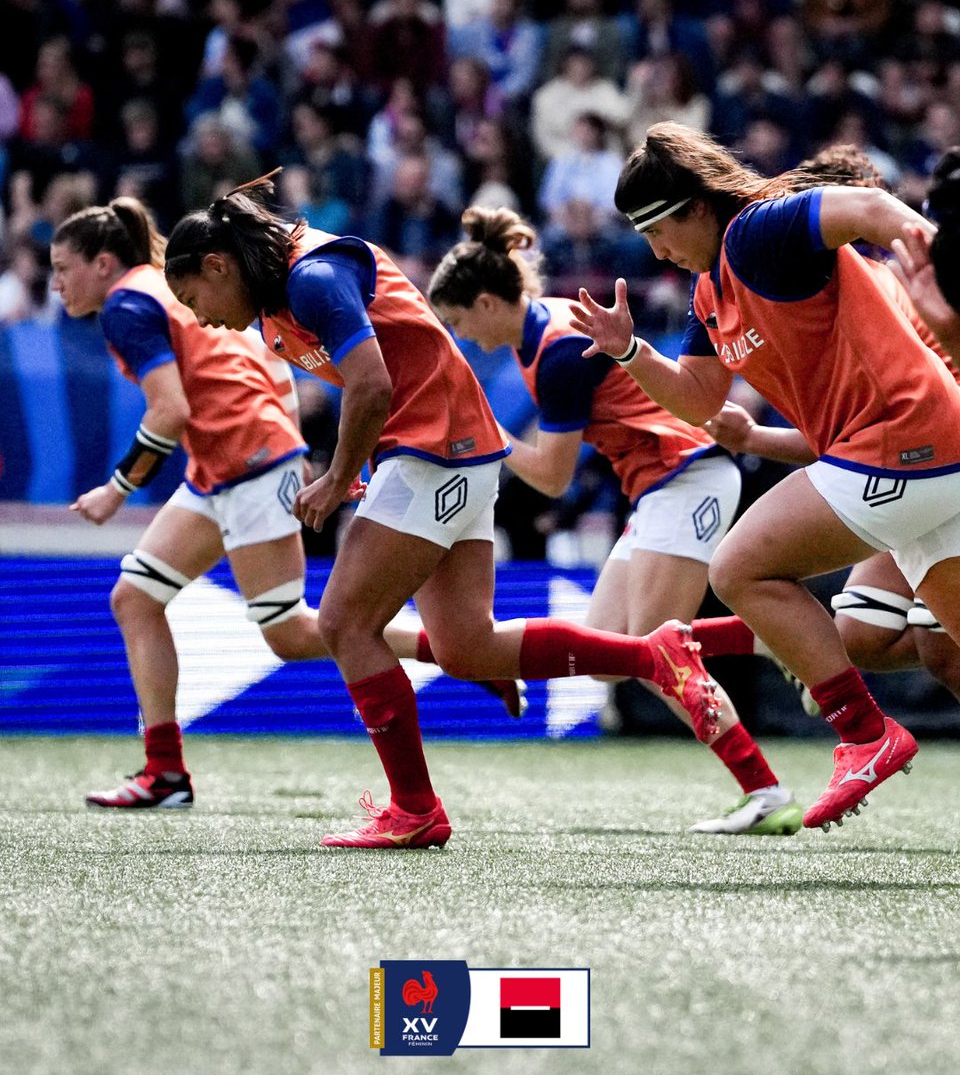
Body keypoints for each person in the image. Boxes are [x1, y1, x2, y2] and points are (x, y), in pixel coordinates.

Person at [162, 173, 723, 849]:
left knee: (343, 622)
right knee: (468, 647)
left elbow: (373, 385)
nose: (200, 319)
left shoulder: (311, 277)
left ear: (219, 265)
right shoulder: (282, 296)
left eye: (195, 299)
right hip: (454, 452)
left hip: (434, 451)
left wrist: (340, 476)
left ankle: (415, 808)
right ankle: (652, 656)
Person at [570, 122, 960, 832]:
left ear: (694, 209)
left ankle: (864, 733)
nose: (656, 251)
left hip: (903, 437)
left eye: (659, 232)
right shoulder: (709, 292)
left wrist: (943, 263)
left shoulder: (757, 232)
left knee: (742, 568)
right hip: (915, 450)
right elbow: (697, 398)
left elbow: (872, 210)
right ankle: (861, 727)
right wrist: (628, 349)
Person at [48, 196, 440, 811]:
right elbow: (267, 352)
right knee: (135, 597)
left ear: (102, 263)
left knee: (289, 631)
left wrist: (115, 490)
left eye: (62, 266)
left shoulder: (128, 302)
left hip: (246, 461)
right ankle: (165, 772)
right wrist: (286, 438)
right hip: (230, 463)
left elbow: (170, 410)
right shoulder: (169, 285)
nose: (55, 283)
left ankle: (456, 649)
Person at [428, 205, 803, 836]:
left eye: (461, 322)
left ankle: (766, 791)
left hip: (688, 476)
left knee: (661, 653)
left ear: (490, 303)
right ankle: (764, 634)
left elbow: (550, 475)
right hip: (657, 489)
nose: (466, 337)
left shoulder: (556, 352)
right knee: (610, 656)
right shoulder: (539, 331)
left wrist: (484, 431)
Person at [704, 146, 960, 708]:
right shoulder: (823, 303)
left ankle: (787, 656)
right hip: (920, 462)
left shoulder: (888, 289)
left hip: (934, 460)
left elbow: (902, 422)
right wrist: (752, 439)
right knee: (868, 638)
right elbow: (846, 445)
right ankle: (790, 645)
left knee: (929, 647)